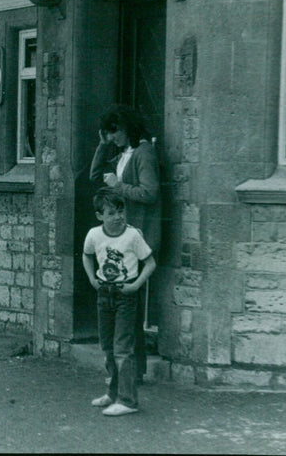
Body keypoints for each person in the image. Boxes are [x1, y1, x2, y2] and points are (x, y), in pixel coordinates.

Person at [89, 104, 161, 383]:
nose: (112, 137)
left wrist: (119, 186)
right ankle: (132, 370)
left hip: (136, 237)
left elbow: (150, 192)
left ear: (128, 128)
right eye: (108, 132)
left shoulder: (143, 154)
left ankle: (131, 371)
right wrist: (101, 146)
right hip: (119, 238)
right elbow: (95, 177)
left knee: (128, 309)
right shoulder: (123, 153)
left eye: (115, 131)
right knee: (124, 309)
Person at [83, 187, 156, 416]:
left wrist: (135, 286)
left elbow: (150, 263)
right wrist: (92, 278)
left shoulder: (133, 235)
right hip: (104, 294)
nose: (118, 217)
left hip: (126, 296)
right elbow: (86, 255)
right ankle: (113, 393)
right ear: (100, 215)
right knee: (107, 346)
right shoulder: (94, 235)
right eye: (112, 213)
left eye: (121, 211)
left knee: (123, 349)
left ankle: (128, 400)